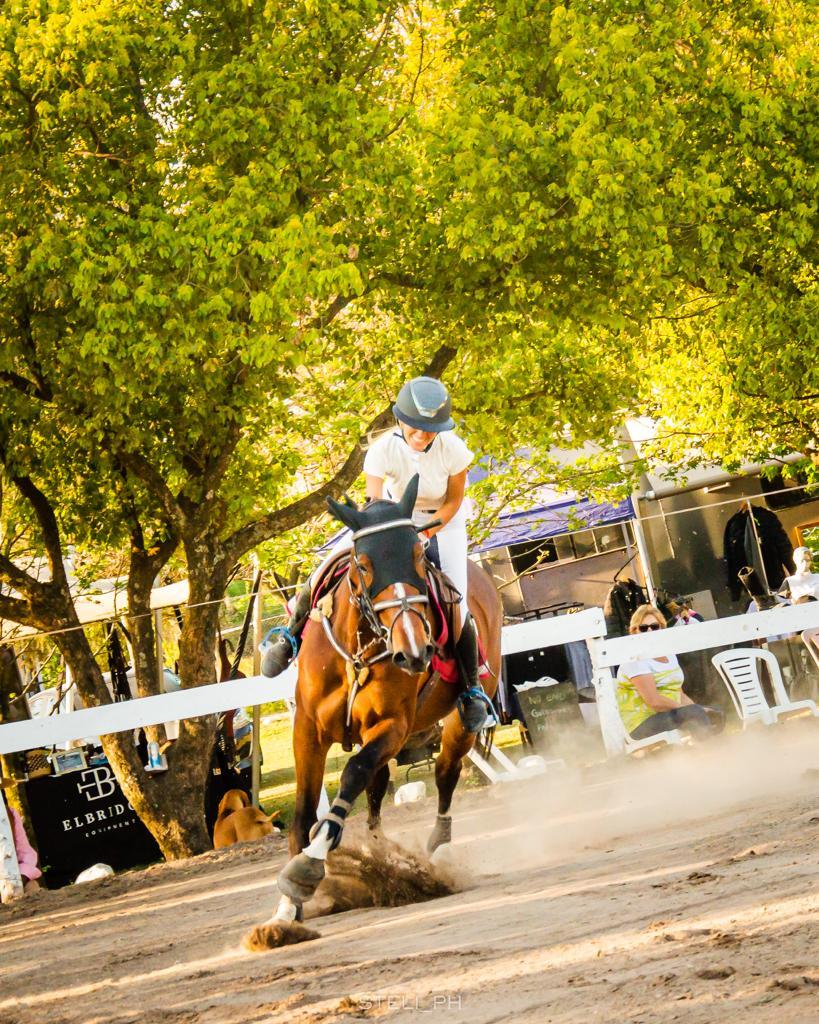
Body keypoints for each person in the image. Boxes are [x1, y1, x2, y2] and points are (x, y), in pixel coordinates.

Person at [262, 376, 492, 732]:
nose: (422, 435)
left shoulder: (454, 449)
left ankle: (471, 690)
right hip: (388, 521)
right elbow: (374, 502)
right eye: (416, 427)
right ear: (402, 420)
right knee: (326, 566)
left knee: (456, 602)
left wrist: (428, 530)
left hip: (443, 523)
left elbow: (453, 500)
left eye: (430, 429)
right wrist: (395, 535)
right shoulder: (382, 450)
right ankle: (290, 637)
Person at [616, 604, 721, 741]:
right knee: (695, 713)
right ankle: (709, 753)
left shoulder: (668, 655)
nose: (649, 631)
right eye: (643, 628)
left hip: (668, 714)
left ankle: (708, 751)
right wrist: (693, 710)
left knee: (717, 714)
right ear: (635, 631)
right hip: (641, 723)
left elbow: (680, 694)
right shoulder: (635, 659)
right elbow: (654, 702)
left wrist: (700, 709)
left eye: (654, 626)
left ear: (661, 627)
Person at [1, 791, 41, 900]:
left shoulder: (10, 815)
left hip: (11, 881)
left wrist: (19, 878)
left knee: (32, 887)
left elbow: (26, 853)